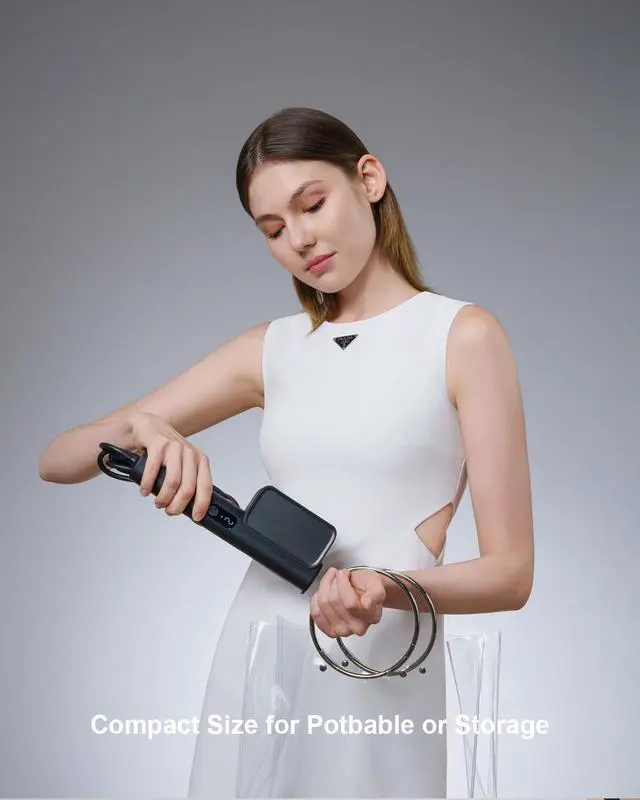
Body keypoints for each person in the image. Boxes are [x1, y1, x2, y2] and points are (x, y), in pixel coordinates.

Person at [38, 107, 534, 798]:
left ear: (368, 179)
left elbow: (511, 575)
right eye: (273, 229)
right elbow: (57, 459)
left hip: (381, 660)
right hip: (262, 647)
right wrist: (148, 428)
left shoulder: (462, 336)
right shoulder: (272, 350)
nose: (299, 239)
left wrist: (382, 589)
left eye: (312, 204)